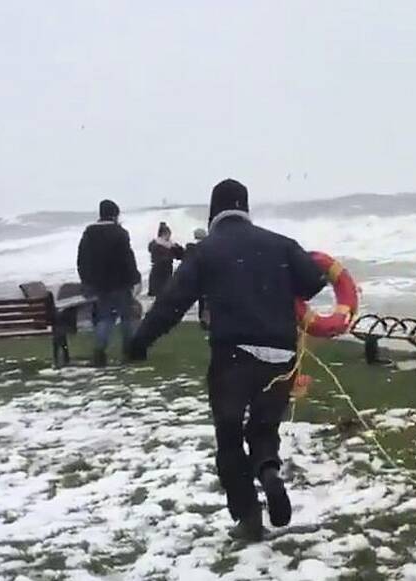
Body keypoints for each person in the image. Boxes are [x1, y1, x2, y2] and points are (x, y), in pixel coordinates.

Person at [127, 179, 326, 542]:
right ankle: (268, 470)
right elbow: (313, 280)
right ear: (245, 208)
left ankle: (250, 519)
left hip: (233, 357)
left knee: (230, 438)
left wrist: (140, 341)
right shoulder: (280, 243)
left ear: (213, 211)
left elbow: (173, 302)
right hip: (281, 355)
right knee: (264, 428)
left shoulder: (206, 251)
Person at [77, 199, 141, 367]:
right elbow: (128, 259)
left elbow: (82, 260)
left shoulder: (89, 233)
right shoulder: (120, 233)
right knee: (126, 318)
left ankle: (99, 351)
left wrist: (86, 281)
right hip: (120, 283)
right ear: (114, 214)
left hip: (98, 285)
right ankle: (129, 351)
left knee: (104, 318)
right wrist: (135, 278)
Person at [147, 222, 185, 297]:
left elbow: (180, 255)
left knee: (160, 293)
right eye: (169, 235)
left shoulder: (155, 244)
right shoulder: (165, 245)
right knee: (164, 292)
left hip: (158, 271)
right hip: (163, 271)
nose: (169, 237)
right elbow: (180, 255)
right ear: (164, 234)